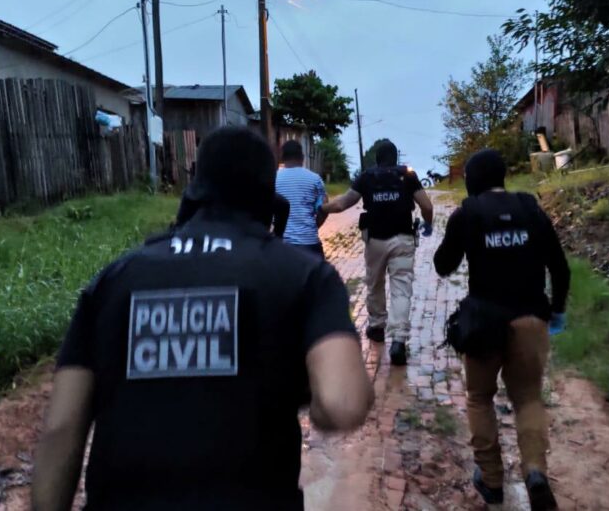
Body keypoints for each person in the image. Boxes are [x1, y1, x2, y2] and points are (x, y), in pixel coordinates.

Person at [32, 127, 374, 511]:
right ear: (268, 196)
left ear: (195, 187)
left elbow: (61, 428)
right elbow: (343, 403)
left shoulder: (114, 279)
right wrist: (311, 400)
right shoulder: (305, 275)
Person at [433, 149, 569, 511]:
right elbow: (560, 267)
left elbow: (444, 266)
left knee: (480, 397)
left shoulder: (467, 214)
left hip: (484, 324)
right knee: (528, 398)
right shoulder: (530, 209)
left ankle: (492, 479)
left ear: (472, 180)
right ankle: (535, 470)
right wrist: (557, 311)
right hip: (530, 319)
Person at [322, 140, 433, 366]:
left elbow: (343, 203)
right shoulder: (408, 175)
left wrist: (322, 208)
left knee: (374, 284)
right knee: (401, 289)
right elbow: (427, 206)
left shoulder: (367, 177)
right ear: (395, 157)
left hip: (375, 241)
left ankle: (376, 327)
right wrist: (428, 224)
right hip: (403, 239)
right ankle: (399, 340)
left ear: (377, 158)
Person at [276, 140, 328, 258]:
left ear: (282, 157)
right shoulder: (315, 179)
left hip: (282, 245)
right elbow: (324, 209)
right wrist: (313, 227)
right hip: (310, 243)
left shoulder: (274, 178)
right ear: (302, 157)